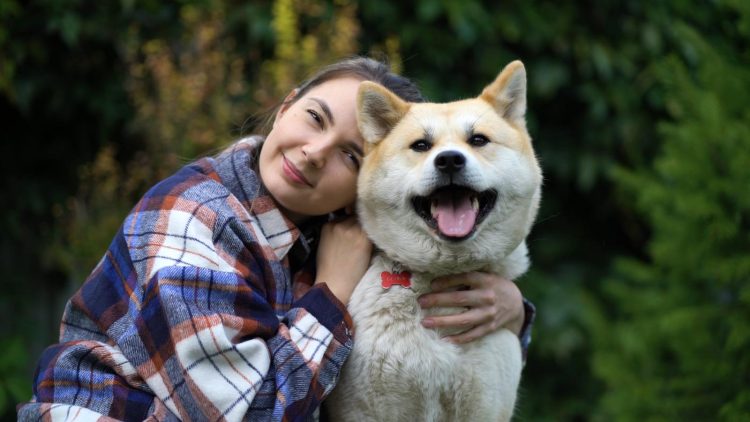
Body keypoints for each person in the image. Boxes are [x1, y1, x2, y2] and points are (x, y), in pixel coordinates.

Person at [18, 57, 534, 421]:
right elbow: (247, 413)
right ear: (286, 105)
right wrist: (330, 295)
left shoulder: (341, 228)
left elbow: (433, 280)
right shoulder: (190, 218)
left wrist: (512, 311)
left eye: (350, 155)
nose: (314, 152)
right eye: (314, 118)